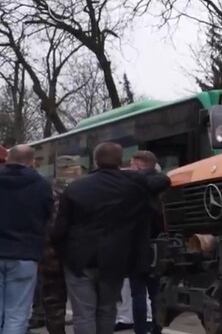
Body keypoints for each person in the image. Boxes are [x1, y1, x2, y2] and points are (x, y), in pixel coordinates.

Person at [51, 142, 171, 334]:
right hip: (115, 258)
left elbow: (60, 229)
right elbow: (163, 180)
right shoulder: (133, 183)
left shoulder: (75, 188)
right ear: (120, 161)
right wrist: (135, 172)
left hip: (79, 259)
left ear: (95, 161)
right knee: (107, 310)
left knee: (83, 314)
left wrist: (60, 252)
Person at [0, 144, 54, 334]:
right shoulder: (42, 185)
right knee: (17, 314)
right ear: (32, 162)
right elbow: (49, 217)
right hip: (26, 253)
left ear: (7, 158)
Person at [128, 150, 165, 334]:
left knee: (138, 294)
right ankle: (157, 328)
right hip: (159, 245)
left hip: (135, 247)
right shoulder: (162, 183)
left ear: (138, 166)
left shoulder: (131, 186)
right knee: (156, 292)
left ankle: (140, 330)